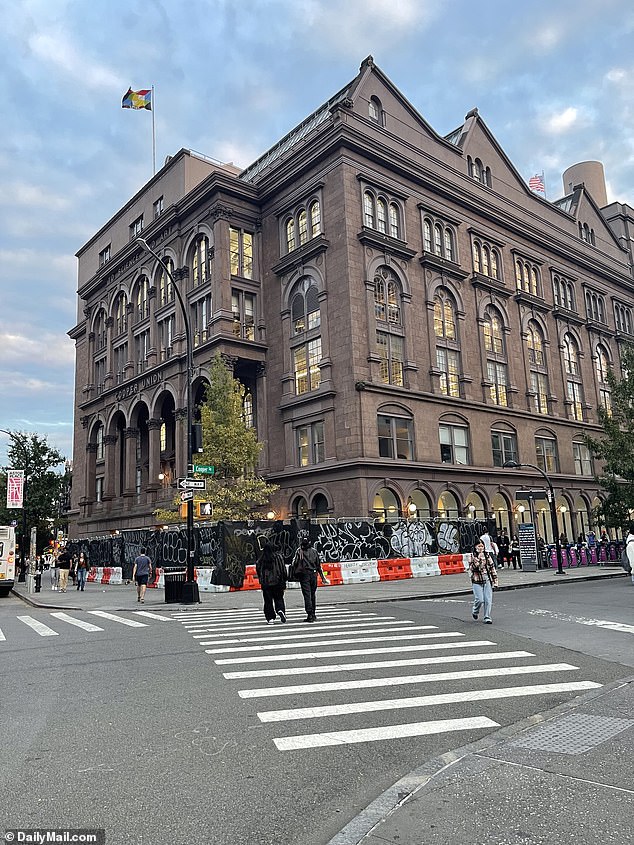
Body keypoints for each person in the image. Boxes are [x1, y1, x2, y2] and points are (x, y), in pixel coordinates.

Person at [292, 538, 328, 622]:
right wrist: (322, 577)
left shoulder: (299, 551)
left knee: (307, 595)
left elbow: (294, 563)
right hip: (313, 574)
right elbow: (318, 564)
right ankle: (313, 613)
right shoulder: (314, 551)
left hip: (304, 574)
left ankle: (310, 614)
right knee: (312, 594)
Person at [255, 540, 287, 624]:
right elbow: (283, 570)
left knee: (268, 601)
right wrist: (284, 581)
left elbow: (258, 571)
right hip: (278, 582)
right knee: (279, 598)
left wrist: (261, 580)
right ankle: (280, 610)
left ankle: (270, 618)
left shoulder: (261, 560)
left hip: (266, 584)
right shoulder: (278, 557)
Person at [469, 539, 498, 624]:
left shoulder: (487, 555)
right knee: (479, 599)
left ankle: (487, 617)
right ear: (475, 547)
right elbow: (473, 568)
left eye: (482, 546)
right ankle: (475, 610)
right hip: (477, 580)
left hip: (487, 579)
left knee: (488, 600)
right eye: (479, 546)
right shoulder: (472, 556)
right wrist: (479, 559)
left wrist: (495, 580)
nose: (481, 548)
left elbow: (492, 567)